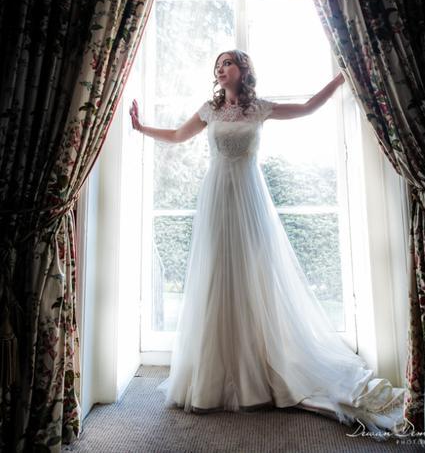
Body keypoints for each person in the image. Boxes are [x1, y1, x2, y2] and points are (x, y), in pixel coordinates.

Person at [129, 50, 407, 436]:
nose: (221, 69)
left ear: (244, 70)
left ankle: (257, 370)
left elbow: (308, 107)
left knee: (254, 278)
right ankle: (213, 375)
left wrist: (341, 80)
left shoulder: (259, 108)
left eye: (228, 63)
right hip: (216, 201)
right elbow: (177, 135)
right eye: (218, 65)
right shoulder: (209, 110)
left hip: (249, 200)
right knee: (215, 278)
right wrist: (141, 128)